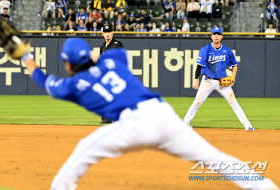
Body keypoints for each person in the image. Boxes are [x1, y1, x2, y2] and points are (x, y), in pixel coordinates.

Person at [19, 37, 279, 190]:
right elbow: (110, 56)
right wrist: (92, 59)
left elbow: (45, 80)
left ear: (67, 64)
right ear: (88, 55)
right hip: (163, 114)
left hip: (134, 124)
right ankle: (265, 187)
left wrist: (27, 58)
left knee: (85, 148)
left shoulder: (74, 85)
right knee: (215, 159)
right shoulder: (114, 59)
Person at [183, 27, 254, 131]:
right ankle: (185, 122)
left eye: (218, 34)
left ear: (221, 37)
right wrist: (196, 79)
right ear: (211, 36)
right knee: (197, 102)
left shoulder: (227, 51)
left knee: (234, 102)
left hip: (222, 82)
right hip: (207, 81)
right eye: (214, 34)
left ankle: (247, 125)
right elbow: (199, 66)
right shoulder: (205, 49)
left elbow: (234, 65)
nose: (216, 36)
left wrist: (233, 76)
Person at [99, 23, 124, 123]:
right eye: (105, 32)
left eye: (109, 31)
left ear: (112, 33)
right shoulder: (102, 46)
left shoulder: (117, 44)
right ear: (103, 34)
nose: (107, 34)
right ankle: (107, 118)